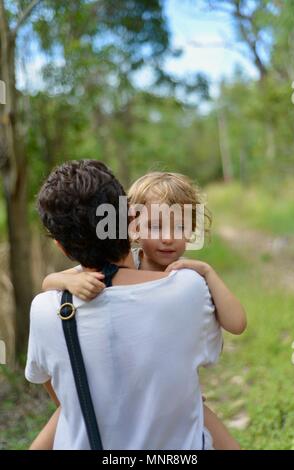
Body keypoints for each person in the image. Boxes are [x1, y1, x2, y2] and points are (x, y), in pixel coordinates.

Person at [26, 160, 223, 450]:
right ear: (132, 220)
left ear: (61, 247)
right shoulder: (188, 289)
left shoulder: (45, 310)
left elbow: (61, 398)